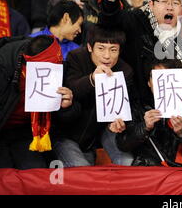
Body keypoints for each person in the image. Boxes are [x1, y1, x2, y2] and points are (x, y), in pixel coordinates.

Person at [97, 0, 182, 107]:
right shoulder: (135, 21)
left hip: (181, 107)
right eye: (163, 1)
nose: (169, 7)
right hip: (143, 108)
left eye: (175, 2)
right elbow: (109, 23)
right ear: (151, 5)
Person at [0, 35, 75, 169]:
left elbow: (66, 119)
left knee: (35, 173)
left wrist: (66, 107)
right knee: (2, 176)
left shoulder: (57, 70)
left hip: (27, 134)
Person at [54, 25, 135, 167]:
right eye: (101, 48)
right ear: (90, 47)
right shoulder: (76, 58)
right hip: (67, 134)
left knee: (128, 162)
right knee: (82, 170)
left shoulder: (125, 71)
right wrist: (92, 79)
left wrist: (121, 122)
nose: (107, 56)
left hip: (102, 132)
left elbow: (127, 106)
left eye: (113, 50)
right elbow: (70, 89)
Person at [115, 59, 182, 166]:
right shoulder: (138, 106)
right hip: (148, 170)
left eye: (168, 77)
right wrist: (144, 127)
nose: (163, 82)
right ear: (149, 82)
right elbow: (122, 144)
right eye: (158, 77)